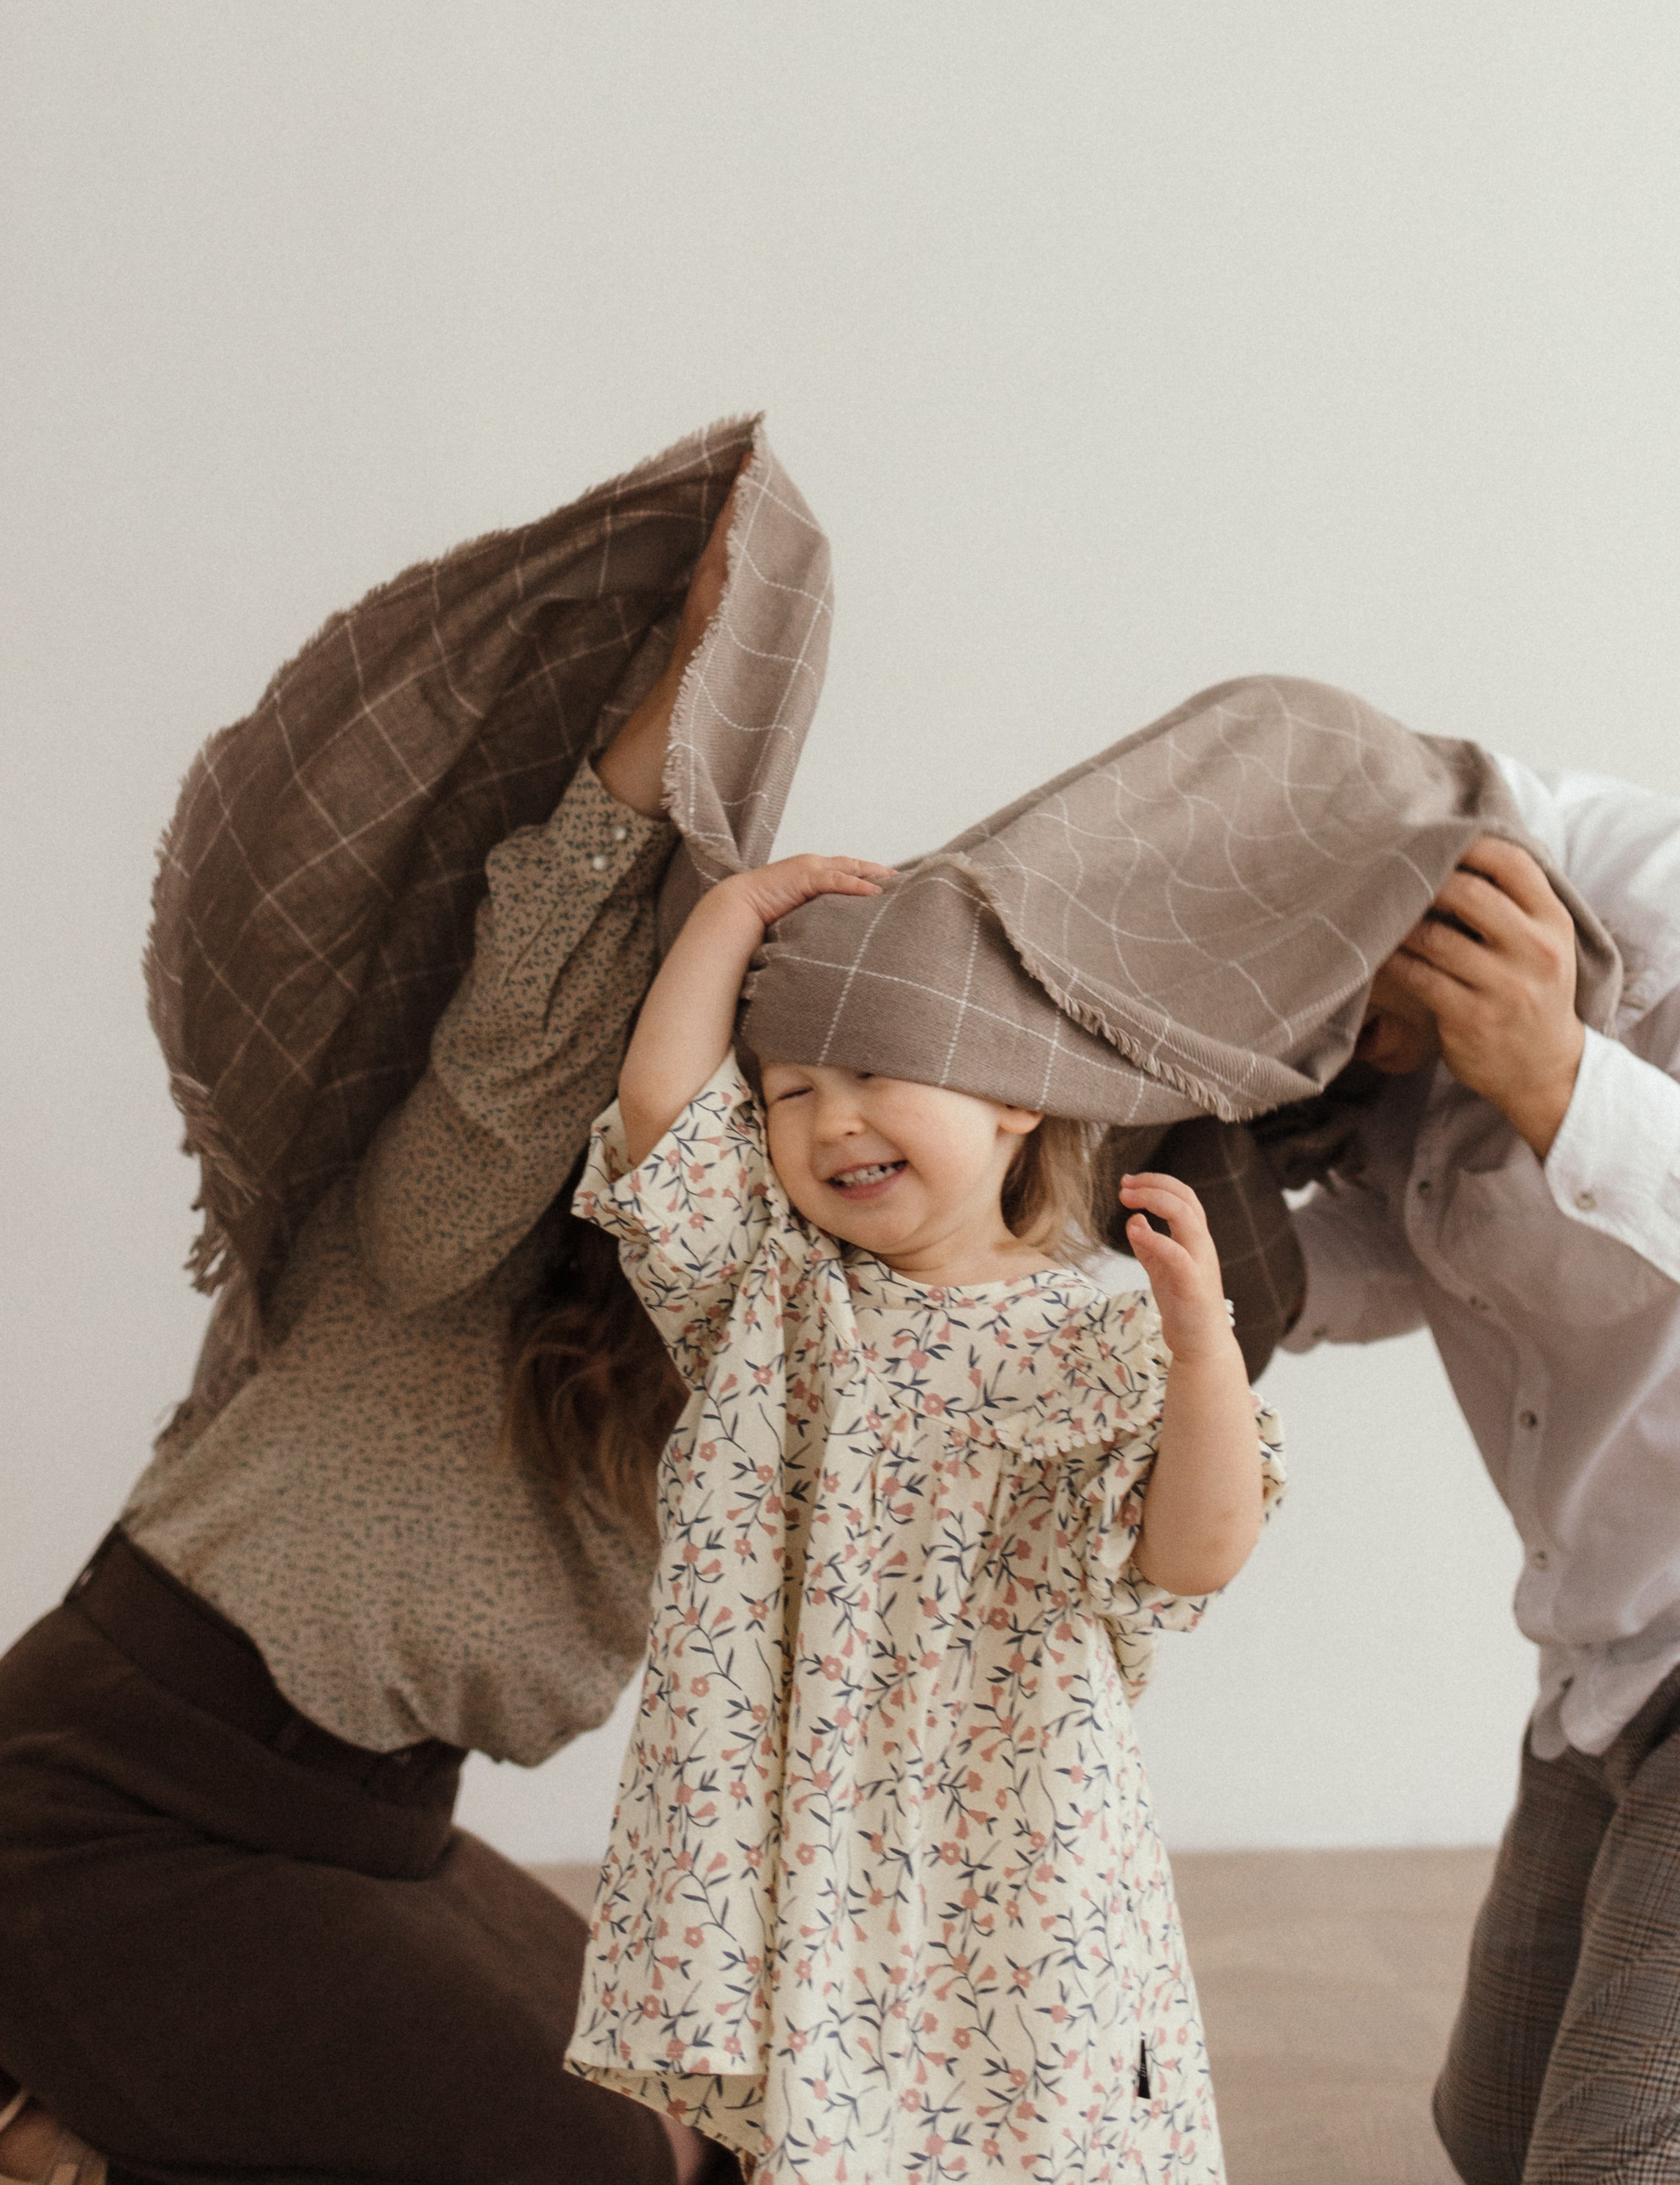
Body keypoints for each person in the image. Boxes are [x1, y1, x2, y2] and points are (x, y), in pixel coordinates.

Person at [0, 419, 824, 2185]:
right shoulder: (445, 1239)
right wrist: (687, 699)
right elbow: (543, 978)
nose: (803, 1133)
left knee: (744, 2134)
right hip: (116, 1808)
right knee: (597, 2174)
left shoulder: (754, 1356)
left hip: (373, 1832)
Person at [562, 846, 1287, 2183]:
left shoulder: (1097, 1335)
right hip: (811, 1828)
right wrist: (733, 911)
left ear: (1015, 1100)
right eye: (792, 1092)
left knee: (1043, 2125)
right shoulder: (771, 1297)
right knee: (831, 2140)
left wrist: (1202, 1352)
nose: (834, 1120)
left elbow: (1194, 1557)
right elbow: (664, 1101)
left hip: (1022, 1833)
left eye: (877, 1074)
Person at [1284, 766, 1680, 2184]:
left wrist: (1560, 1082)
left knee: (1634, 2153)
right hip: (1615, 1667)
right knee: (1491, 2138)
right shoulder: (1393, 1044)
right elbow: (1406, 1252)